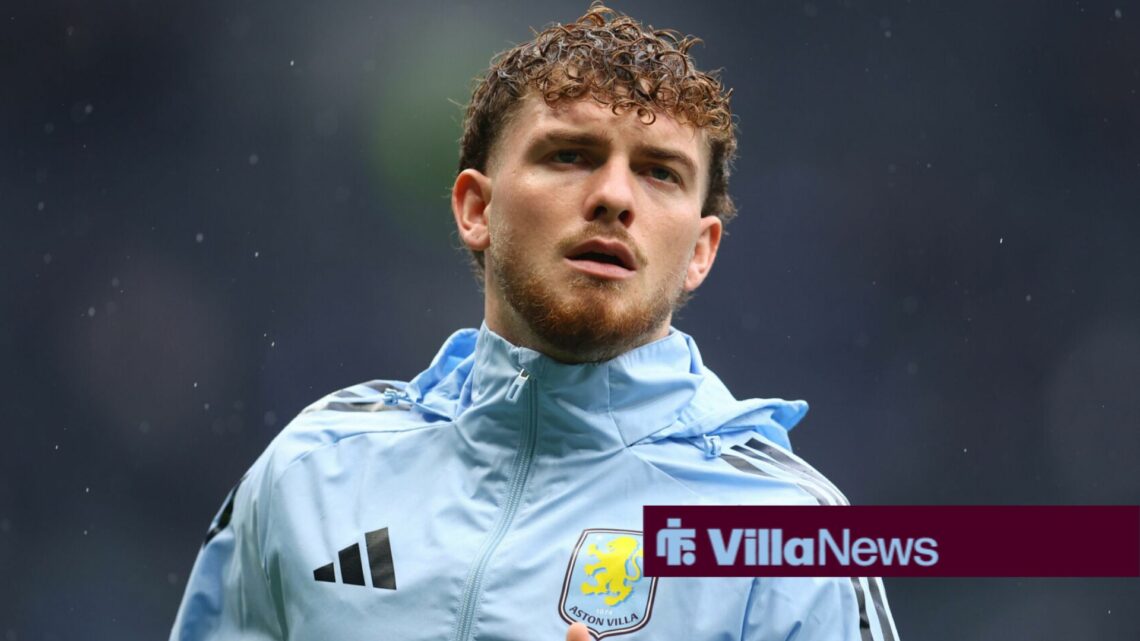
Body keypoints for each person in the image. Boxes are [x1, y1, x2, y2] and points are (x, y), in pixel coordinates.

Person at [170, 3, 899, 640]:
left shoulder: (787, 534)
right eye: (570, 155)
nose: (614, 196)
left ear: (701, 251)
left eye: (659, 172)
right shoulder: (316, 471)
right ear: (476, 209)